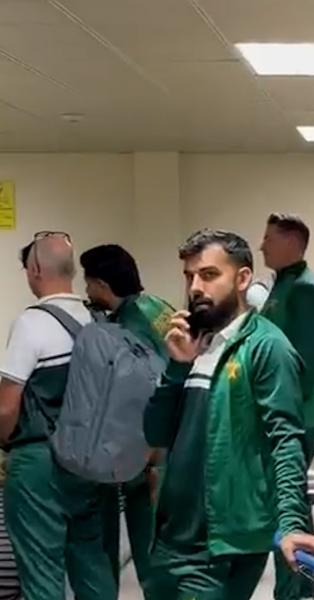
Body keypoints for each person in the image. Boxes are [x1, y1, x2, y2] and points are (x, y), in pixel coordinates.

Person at [143, 229, 314, 600]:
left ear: (242, 279)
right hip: (169, 539)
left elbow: (286, 442)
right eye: (189, 276)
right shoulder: (195, 344)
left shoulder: (267, 347)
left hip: (221, 549)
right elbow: (156, 432)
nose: (195, 287)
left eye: (209, 275)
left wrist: (292, 523)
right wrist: (176, 368)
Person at [0, 232, 116, 599]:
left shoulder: (32, 322)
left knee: (42, 576)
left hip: (40, 464)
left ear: (35, 269)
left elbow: (6, 406)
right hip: (90, 462)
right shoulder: (98, 320)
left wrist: (5, 444)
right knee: (92, 565)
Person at [79, 243, 174, 598]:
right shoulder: (156, 307)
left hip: (149, 456)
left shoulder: (126, 327)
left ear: (102, 285)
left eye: (89, 283)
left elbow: (141, 392)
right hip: (171, 447)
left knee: (150, 552)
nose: (86, 291)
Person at [258, 214, 314, 600]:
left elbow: (303, 361)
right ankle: (302, 583)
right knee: (290, 497)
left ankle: (292, 590)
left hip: (300, 411)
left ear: (291, 243)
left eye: (269, 238)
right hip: (288, 407)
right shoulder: (284, 285)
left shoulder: (306, 290)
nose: (262, 245)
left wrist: (276, 409)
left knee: (285, 497)